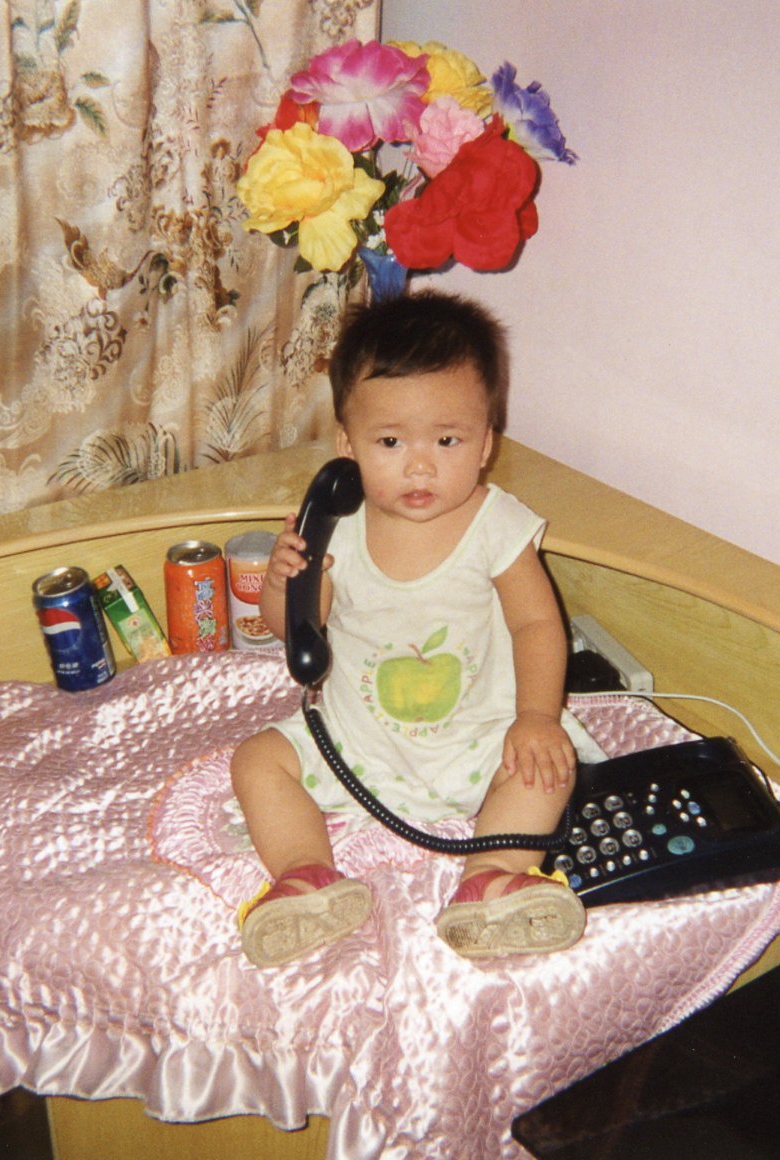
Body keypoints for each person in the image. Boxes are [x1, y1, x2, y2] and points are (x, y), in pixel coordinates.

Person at [231, 290, 585, 968]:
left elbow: (538, 623)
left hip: (477, 736)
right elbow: (294, 630)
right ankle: (305, 875)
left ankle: (491, 877)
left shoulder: (496, 525)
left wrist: (537, 718)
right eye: (390, 442)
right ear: (347, 446)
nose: (420, 466)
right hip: (358, 736)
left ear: (486, 443)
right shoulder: (337, 525)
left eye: (447, 440)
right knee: (255, 761)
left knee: (549, 768)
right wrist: (284, 580)